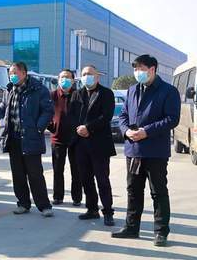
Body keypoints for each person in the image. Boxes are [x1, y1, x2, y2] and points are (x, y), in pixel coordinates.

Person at [112, 55, 181, 247]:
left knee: (158, 192)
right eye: (135, 69)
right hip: (134, 149)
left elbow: (172, 119)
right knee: (133, 190)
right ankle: (131, 227)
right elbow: (123, 115)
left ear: (152, 69)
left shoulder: (168, 91)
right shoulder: (132, 90)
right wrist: (126, 131)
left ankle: (161, 232)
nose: (137, 73)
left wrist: (146, 131)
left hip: (155, 151)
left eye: (141, 69)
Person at [1, 62, 54, 217]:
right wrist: (3, 127)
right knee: (18, 174)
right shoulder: (9, 90)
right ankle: (23, 203)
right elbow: (3, 110)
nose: (12, 76)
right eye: (10, 73)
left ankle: (44, 206)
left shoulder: (38, 89)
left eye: (15, 72)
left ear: (24, 73)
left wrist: (38, 128)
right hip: (13, 138)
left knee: (35, 174)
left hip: (31, 137)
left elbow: (48, 110)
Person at [71, 65, 116, 226]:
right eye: (84, 74)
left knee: (102, 180)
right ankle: (92, 209)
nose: (86, 76)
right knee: (86, 179)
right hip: (81, 144)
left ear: (97, 77)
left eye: (89, 74)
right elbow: (72, 116)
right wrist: (79, 129)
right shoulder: (77, 94)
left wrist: (88, 128)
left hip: (99, 144)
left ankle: (108, 212)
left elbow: (106, 116)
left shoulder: (106, 93)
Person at [47, 69, 82, 206]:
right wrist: (51, 126)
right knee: (57, 170)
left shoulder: (79, 95)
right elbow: (45, 112)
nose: (64, 80)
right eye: (62, 77)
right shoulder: (52, 95)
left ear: (73, 80)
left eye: (67, 77)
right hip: (58, 138)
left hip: (76, 139)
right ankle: (58, 196)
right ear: (58, 79)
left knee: (76, 170)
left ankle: (77, 198)